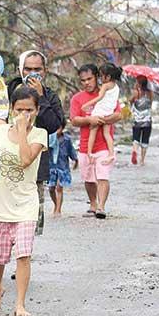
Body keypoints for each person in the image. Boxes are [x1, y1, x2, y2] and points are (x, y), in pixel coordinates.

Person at [0, 86, 47, 316]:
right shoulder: (0, 133)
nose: (24, 114)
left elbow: (26, 160)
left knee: (23, 254)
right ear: (11, 109)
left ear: (36, 110)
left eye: (29, 110)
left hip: (26, 204)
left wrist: (23, 131)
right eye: (19, 109)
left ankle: (20, 304)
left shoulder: (39, 135)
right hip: (0, 203)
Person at [6, 50, 64, 235]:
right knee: (5, 217)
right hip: (6, 164)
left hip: (36, 167)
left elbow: (54, 125)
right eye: (28, 69)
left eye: (37, 69)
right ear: (19, 70)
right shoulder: (6, 91)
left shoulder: (50, 96)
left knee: (30, 221)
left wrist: (42, 97)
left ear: (44, 71)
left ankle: (24, 255)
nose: (32, 73)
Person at [70, 64, 122, 220]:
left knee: (102, 175)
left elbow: (118, 115)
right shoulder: (77, 99)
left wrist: (103, 119)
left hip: (104, 145)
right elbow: (74, 120)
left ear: (97, 77)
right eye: (83, 80)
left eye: (89, 79)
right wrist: (89, 119)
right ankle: (93, 204)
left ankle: (101, 207)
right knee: (88, 178)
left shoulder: (108, 93)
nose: (86, 82)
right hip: (86, 146)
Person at [81, 63, 122, 164]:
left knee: (93, 130)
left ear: (107, 76)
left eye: (101, 75)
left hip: (100, 111)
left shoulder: (105, 85)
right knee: (107, 134)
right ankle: (111, 153)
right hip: (109, 112)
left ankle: (89, 153)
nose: (99, 78)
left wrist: (86, 104)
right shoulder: (116, 87)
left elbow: (99, 97)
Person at [47, 122, 78, 217]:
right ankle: (56, 204)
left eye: (58, 128)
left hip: (62, 167)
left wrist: (75, 160)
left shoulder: (66, 140)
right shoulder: (49, 139)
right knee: (51, 188)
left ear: (62, 128)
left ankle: (58, 210)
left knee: (59, 187)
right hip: (51, 167)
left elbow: (71, 150)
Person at [130, 76, 153, 166]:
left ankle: (135, 151)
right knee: (145, 141)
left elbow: (130, 101)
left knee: (136, 139)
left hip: (137, 121)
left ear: (138, 83)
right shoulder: (150, 93)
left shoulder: (136, 92)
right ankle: (142, 161)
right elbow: (150, 104)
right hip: (147, 121)